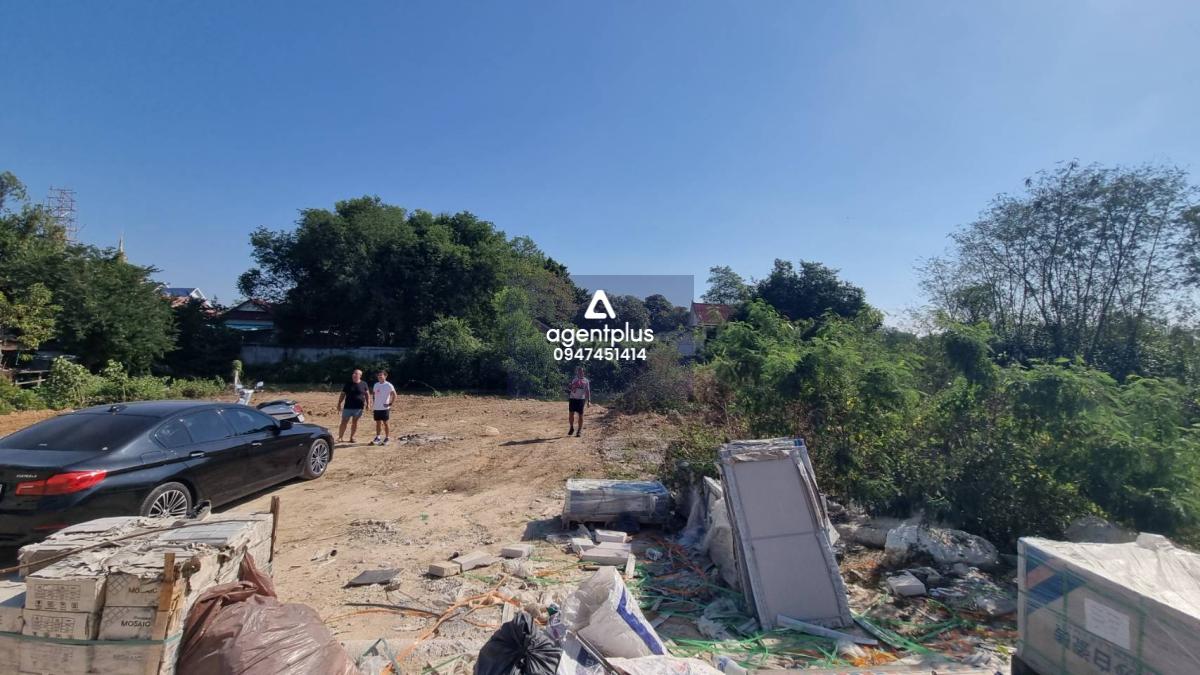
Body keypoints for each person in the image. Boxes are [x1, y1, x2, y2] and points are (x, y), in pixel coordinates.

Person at [336, 368, 370, 443]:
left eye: (356, 373)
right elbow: (342, 394)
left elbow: (367, 394)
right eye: (353, 373)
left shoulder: (364, 384)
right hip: (347, 407)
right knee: (344, 422)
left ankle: (352, 437)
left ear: (360, 375)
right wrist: (339, 403)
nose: (354, 374)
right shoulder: (348, 384)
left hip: (358, 407)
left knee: (355, 422)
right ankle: (340, 437)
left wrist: (368, 404)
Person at [371, 370, 396, 445]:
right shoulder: (376, 385)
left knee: (386, 423)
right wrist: (374, 403)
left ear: (385, 376)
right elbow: (374, 394)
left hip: (385, 408)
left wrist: (390, 404)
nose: (379, 376)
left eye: (381, 375)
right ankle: (378, 437)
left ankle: (387, 438)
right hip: (377, 408)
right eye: (378, 375)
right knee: (378, 423)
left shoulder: (389, 385)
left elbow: (394, 395)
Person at [567, 366, 591, 437]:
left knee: (580, 415)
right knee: (571, 414)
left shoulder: (586, 381)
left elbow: (587, 391)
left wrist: (589, 401)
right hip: (573, 398)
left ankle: (579, 430)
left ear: (583, 372)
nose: (580, 373)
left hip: (581, 399)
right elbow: (570, 389)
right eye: (579, 371)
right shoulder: (574, 379)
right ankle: (571, 427)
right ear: (577, 372)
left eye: (581, 371)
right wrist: (571, 386)